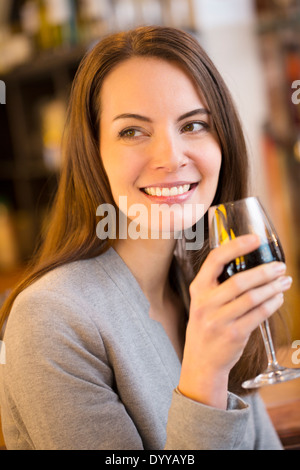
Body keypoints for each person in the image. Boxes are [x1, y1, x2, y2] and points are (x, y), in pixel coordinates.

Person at [0, 26, 291, 450]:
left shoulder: (201, 290)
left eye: (193, 125)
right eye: (133, 132)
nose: (171, 157)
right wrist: (205, 372)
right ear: (93, 154)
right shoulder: (51, 319)